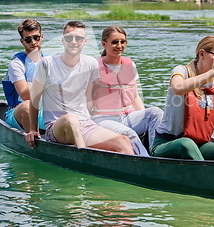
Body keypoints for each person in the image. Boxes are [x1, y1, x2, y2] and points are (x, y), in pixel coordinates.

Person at [25, 21, 134, 155]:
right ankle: (84, 156)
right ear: (63, 40)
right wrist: (33, 129)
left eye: (79, 38)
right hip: (57, 126)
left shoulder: (91, 64)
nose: (74, 42)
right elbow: (35, 98)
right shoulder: (46, 64)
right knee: (70, 119)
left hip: (85, 124)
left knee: (123, 141)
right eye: (69, 38)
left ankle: (136, 174)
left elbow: (89, 96)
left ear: (85, 41)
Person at [90, 25, 164, 156]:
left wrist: (143, 117)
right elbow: (87, 98)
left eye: (122, 42)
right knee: (129, 134)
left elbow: (134, 96)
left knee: (156, 113)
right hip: (103, 119)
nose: (119, 45)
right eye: (114, 42)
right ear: (103, 44)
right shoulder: (93, 66)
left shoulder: (130, 64)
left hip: (128, 116)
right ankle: (146, 161)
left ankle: (156, 153)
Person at [2, 19, 45, 132]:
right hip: (18, 112)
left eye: (36, 37)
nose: (33, 42)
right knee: (27, 106)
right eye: (28, 39)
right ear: (22, 42)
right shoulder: (16, 64)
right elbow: (26, 95)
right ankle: (33, 138)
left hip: (43, 111)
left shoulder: (49, 61)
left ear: (42, 37)